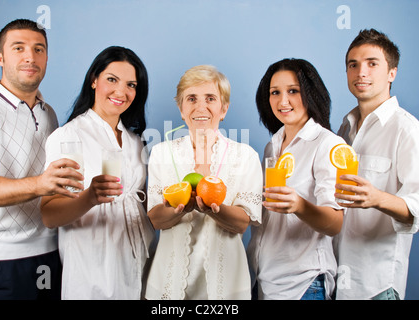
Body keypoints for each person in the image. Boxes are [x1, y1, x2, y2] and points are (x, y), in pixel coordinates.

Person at [0, 19, 83, 300]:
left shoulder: (49, 113)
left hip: (50, 253)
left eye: (39, 49)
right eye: (18, 48)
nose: (30, 57)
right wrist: (41, 184)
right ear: (1, 57)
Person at [40, 46, 155, 299]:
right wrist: (89, 197)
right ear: (94, 80)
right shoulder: (69, 137)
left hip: (139, 264)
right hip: (91, 270)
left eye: (131, 85)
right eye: (112, 80)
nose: (121, 92)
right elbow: (49, 214)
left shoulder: (136, 141)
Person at [145, 65, 262, 300]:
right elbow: (156, 219)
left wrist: (212, 209)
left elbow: (242, 223)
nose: (200, 107)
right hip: (168, 286)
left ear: (224, 108)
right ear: (181, 108)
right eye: (191, 99)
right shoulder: (161, 153)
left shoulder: (245, 155)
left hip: (227, 288)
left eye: (210, 98)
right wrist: (181, 208)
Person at [247, 58, 345, 300]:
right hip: (266, 280)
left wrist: (299, 205)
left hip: (304, 285)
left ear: (311, 93)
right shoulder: (273, 146)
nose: (283, 101)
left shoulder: (327, 144)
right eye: (275, 92)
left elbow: (334, 223)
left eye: (293, 91)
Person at [334, 29, 419, 300]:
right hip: (335, 280)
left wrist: (377, 198)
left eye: (372, 64)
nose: (361, 73)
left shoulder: (406, 130)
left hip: (376, 286)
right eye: (353, 65)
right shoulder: (343, 130)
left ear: (391, 73)